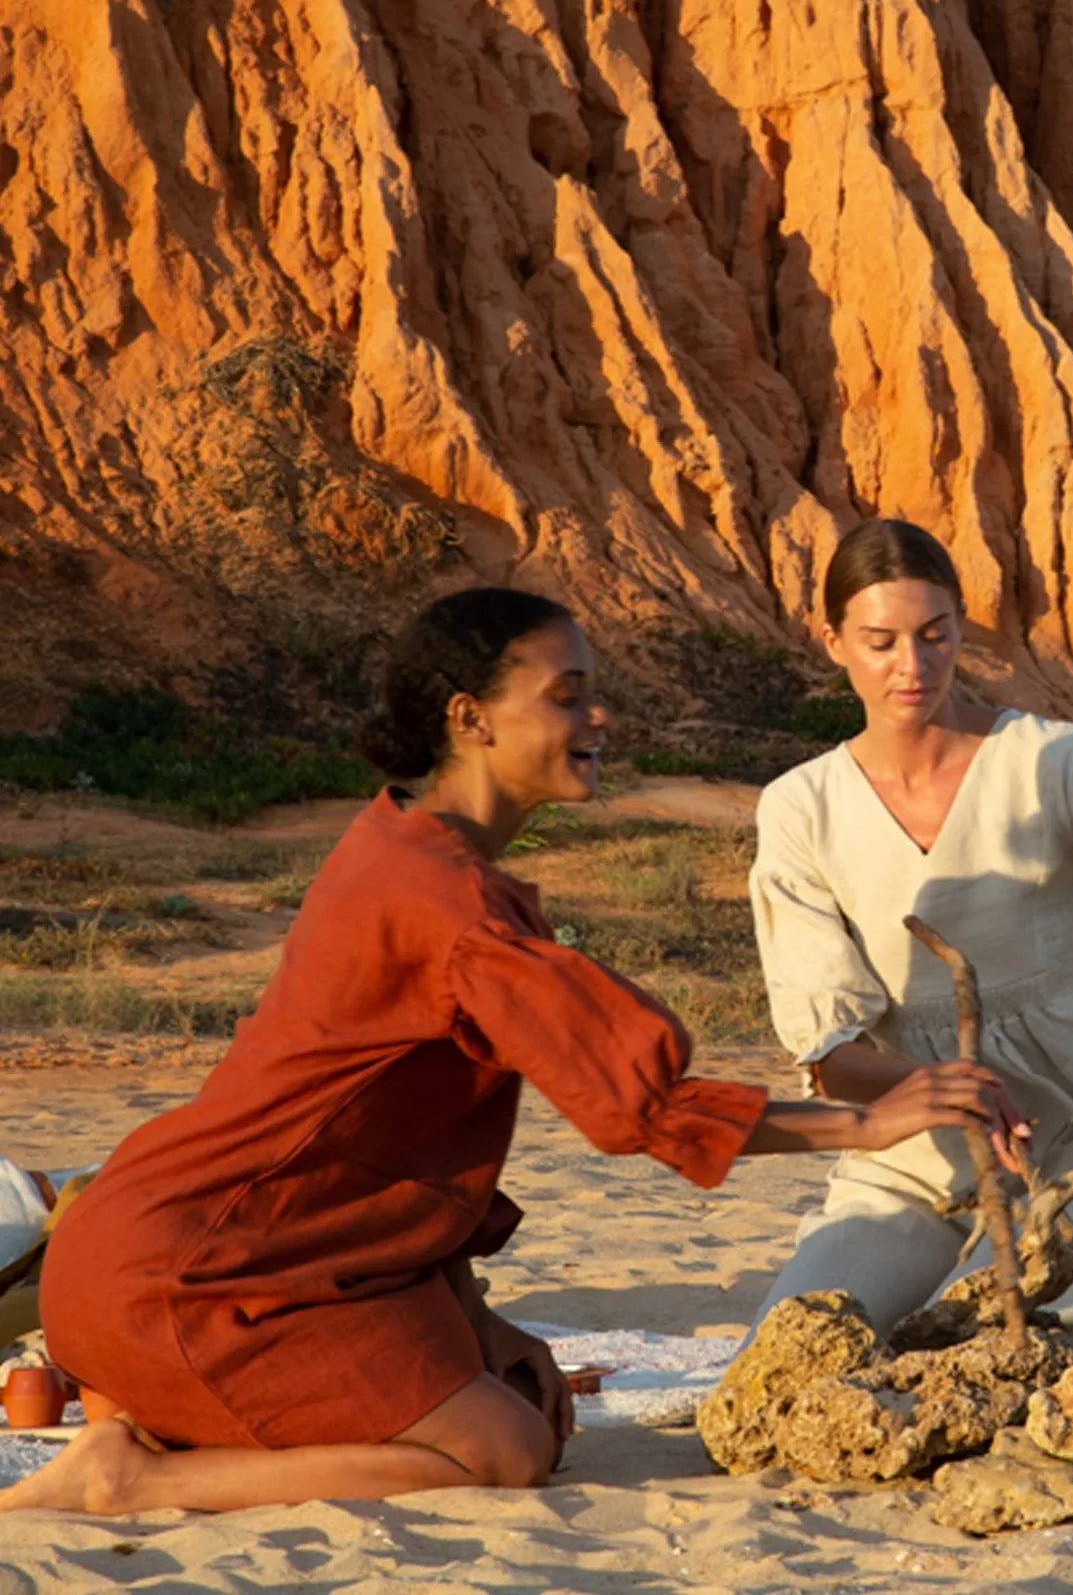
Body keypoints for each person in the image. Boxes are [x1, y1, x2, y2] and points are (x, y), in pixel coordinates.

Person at [6, 588, 1009, 1516]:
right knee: (505, 1451)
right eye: (567, 697)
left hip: (200, 1252)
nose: (598, 718)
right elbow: (646, 1111)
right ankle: (129, 1477)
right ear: (469, 717)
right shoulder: (454, 908)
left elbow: (388, 1135)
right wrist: (874, 1122)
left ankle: (158, 1418)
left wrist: (481, 1319)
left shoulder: (398, 844)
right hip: (193, 1278)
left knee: (518, 1396)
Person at [747, 519, 1073, 1337]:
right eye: (880, 641)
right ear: (832, 640)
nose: (913, 666)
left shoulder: (1049, 758)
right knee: (795, 1345)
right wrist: (937, 1092)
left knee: (979, 1349)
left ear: (960, 629)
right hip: (911, 1153)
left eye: (935, 635)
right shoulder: (801, 806)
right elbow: (829, 1056)